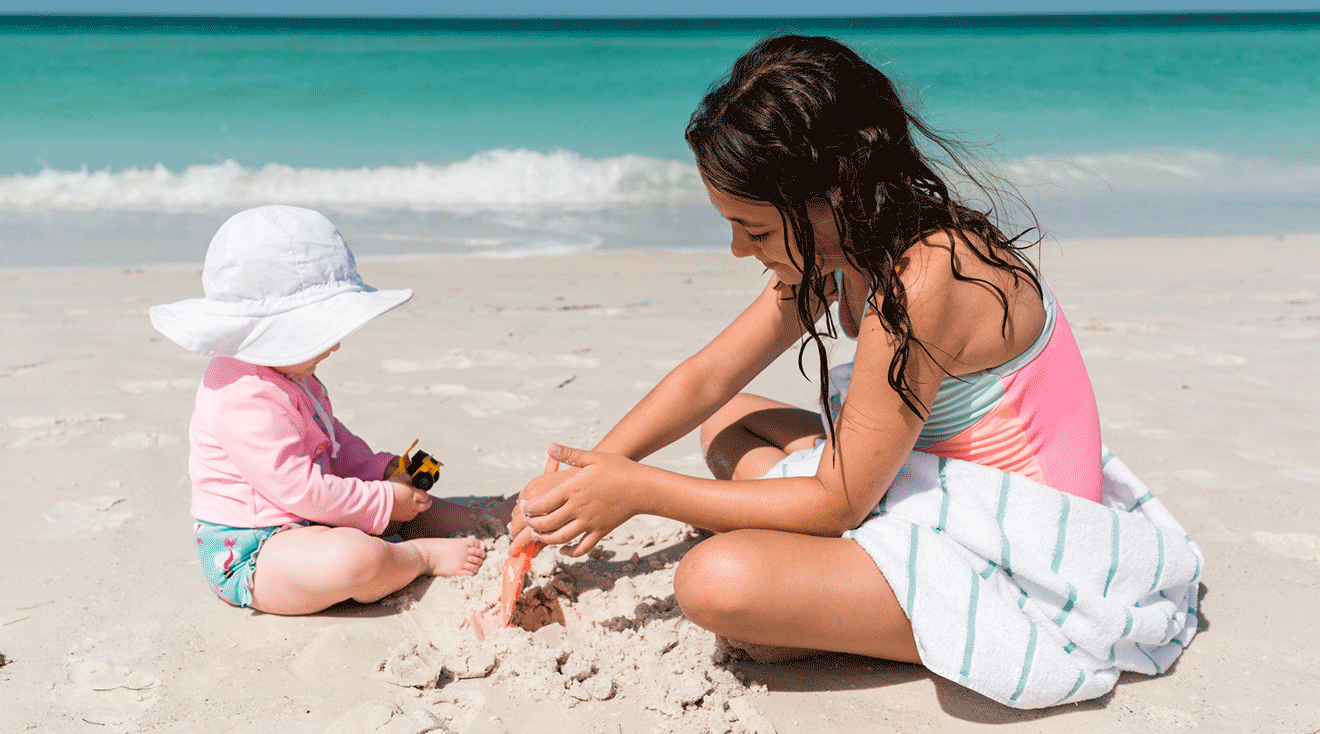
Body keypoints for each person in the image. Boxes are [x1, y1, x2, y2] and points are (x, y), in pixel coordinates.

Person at [512, 35, 1201, 709]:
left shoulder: (931, 274)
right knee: (726, 420)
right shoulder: (848, 242)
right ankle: (820, 596)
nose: (735, 249)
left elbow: (839, 501)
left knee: (716, 581)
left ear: (833, 194)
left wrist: (640, 491)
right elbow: (708, 378)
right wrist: (593, 471)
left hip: (1021, 541)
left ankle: (843, 615)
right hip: (917, 478)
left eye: (753, 230)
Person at [151, 204, 493, 615]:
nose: (334, 344)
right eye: (321, 332)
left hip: (313, 520)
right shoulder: (241, 396)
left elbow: (332, 441)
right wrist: (383, 500)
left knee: (411, 503)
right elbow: (299, 489)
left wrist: (381, 471)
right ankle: (420, 557)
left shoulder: (290, 372)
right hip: (257, 550)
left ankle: (481, 521)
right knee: (357, 558)